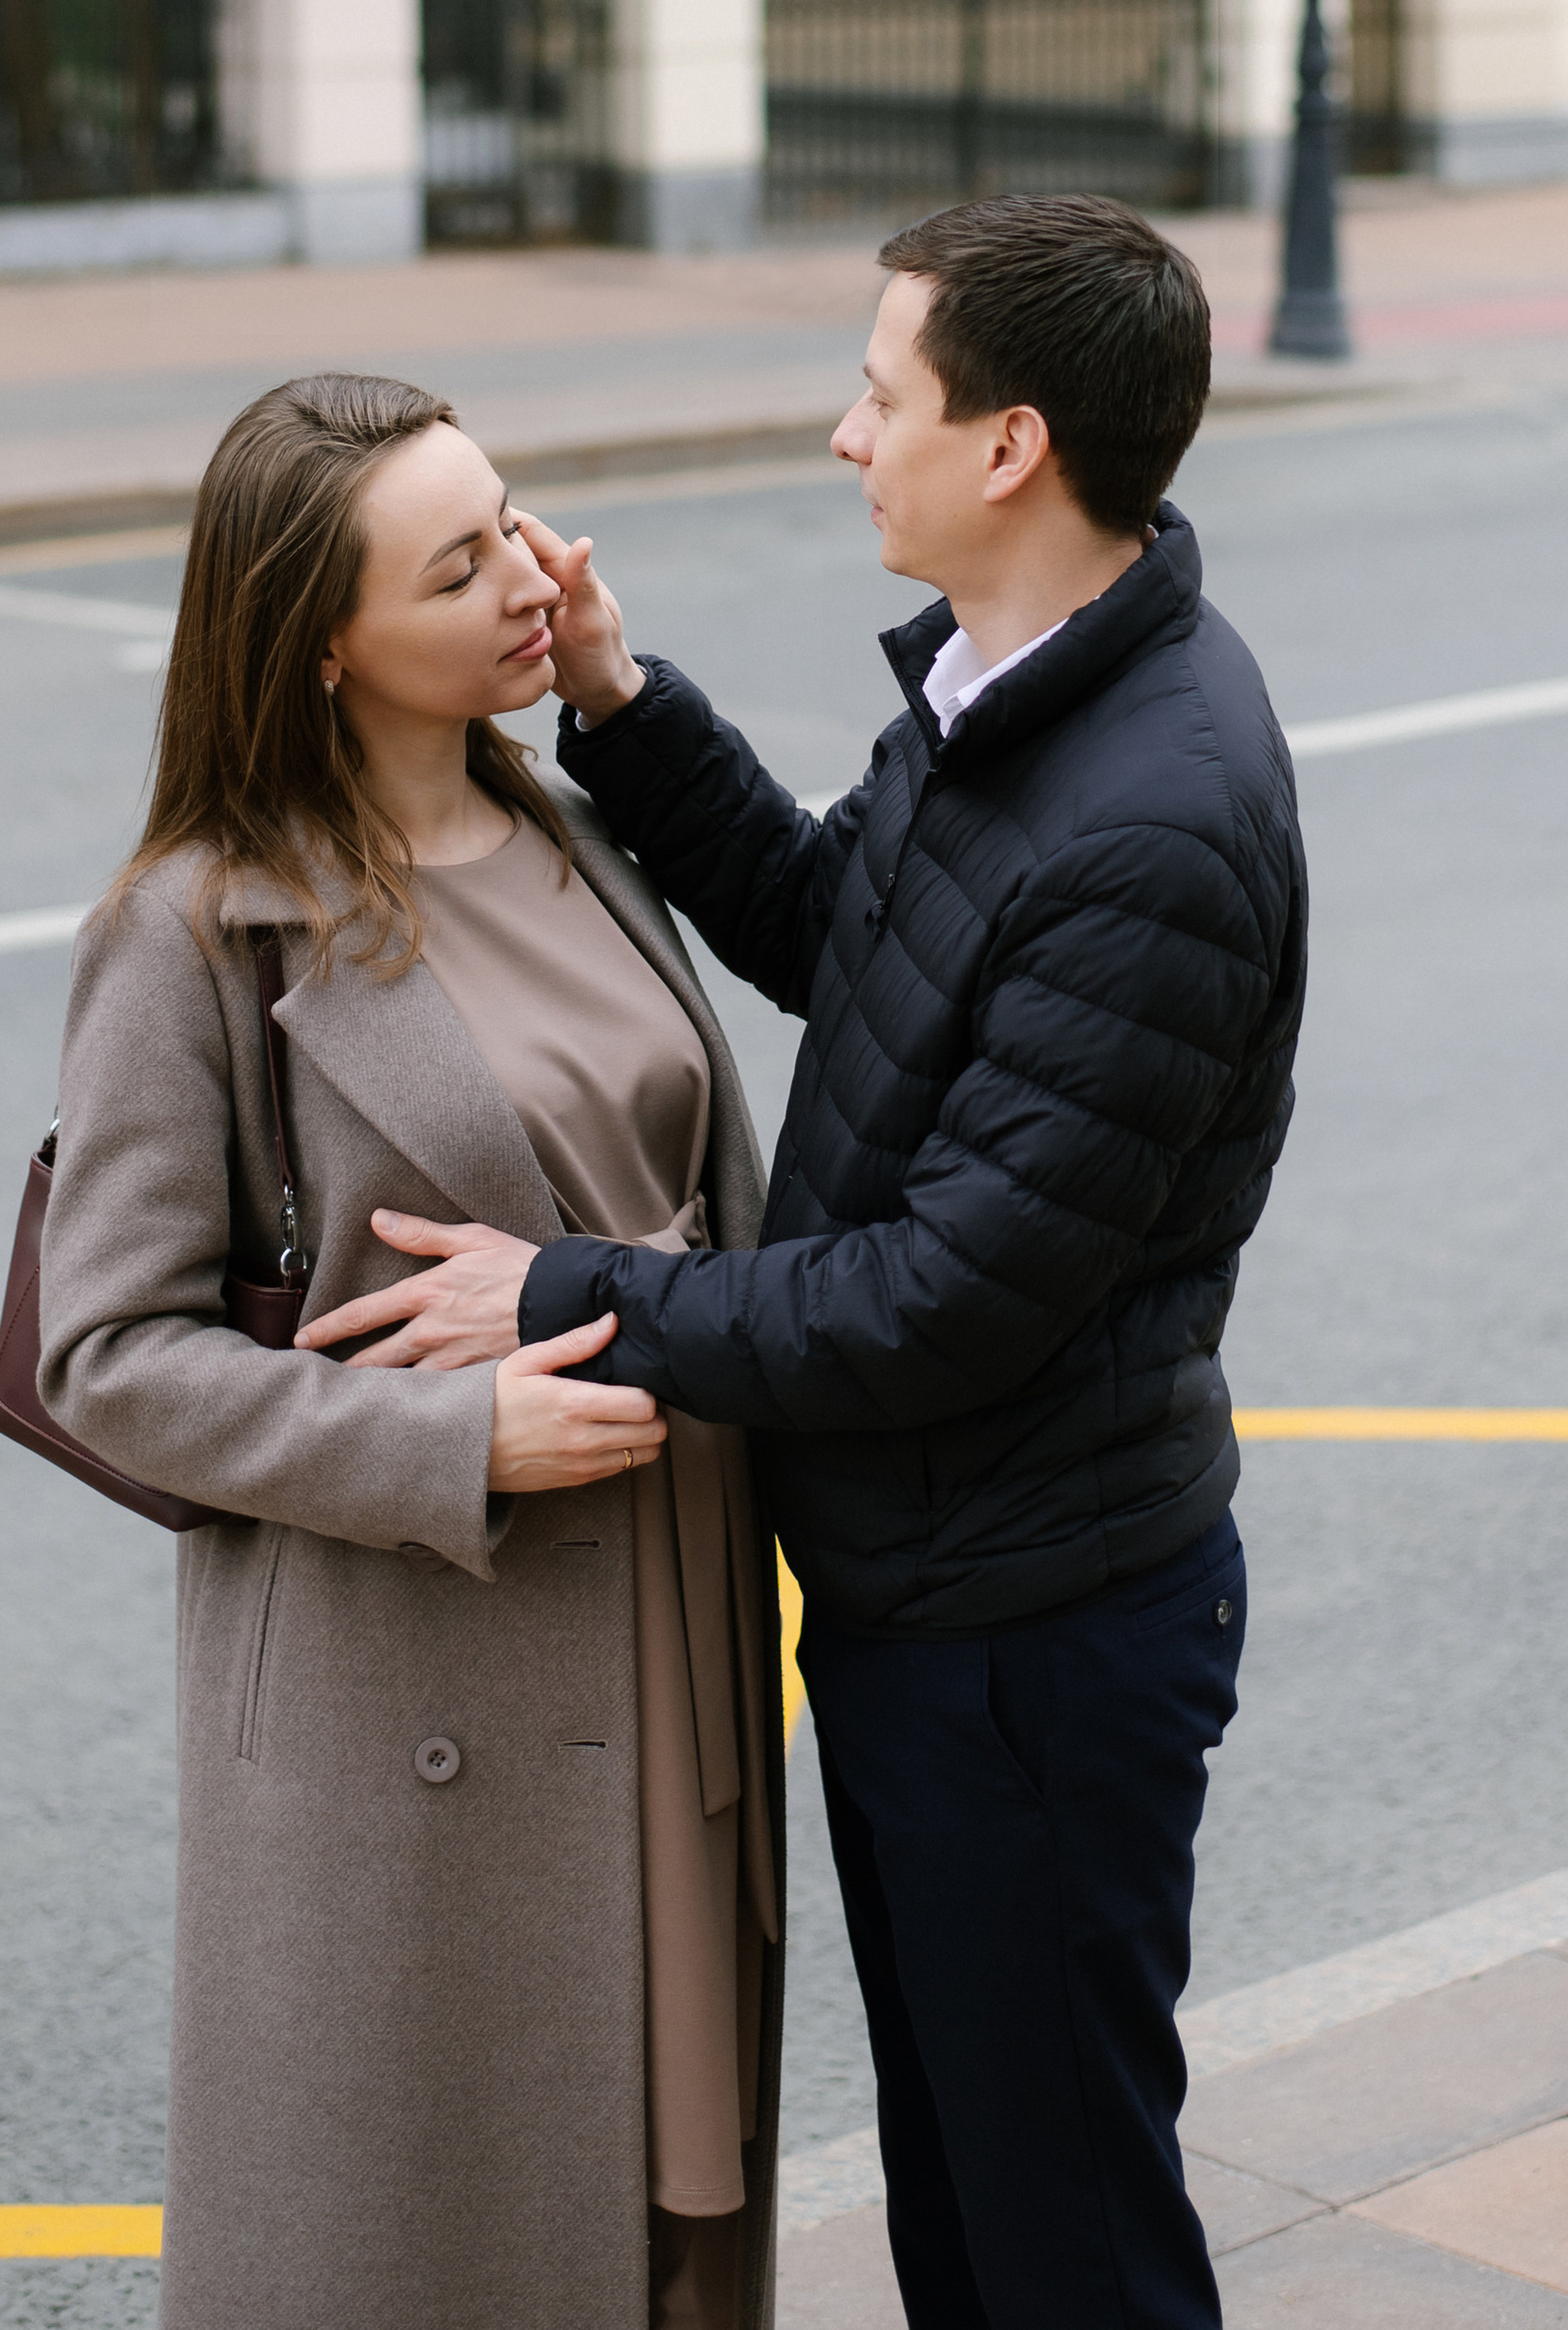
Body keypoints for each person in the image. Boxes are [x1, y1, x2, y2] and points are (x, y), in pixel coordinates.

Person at [357, 193, 1308, 2330]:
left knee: (1062, 2243)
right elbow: (832, 929)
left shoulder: (1145, 818)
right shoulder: (1010, 686)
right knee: (971, 2205)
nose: (844, 433)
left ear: (1010, 446)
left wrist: (564, 1292)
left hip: (1030, 1641)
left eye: (883, 394)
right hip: (943, 1600)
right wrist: (616, 699)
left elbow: (934, 1299)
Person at [35, 371, 784, 2330]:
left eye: (507, 521)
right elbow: (107, 1353)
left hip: (673, 1606)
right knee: (427, 2238)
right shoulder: (198, 930)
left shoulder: (570, 826)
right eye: (456, 571)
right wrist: (449, 1447)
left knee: (666, 2214)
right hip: (420, 1673)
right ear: (319, 644)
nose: (530, 581)